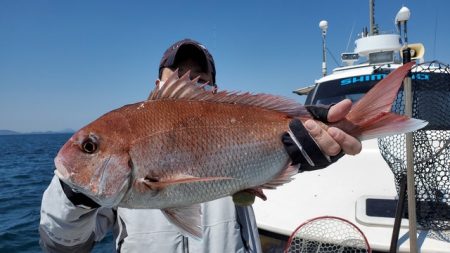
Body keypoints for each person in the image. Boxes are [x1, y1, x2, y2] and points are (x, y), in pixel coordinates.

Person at [39, 39, 361, 252]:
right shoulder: (123, 136)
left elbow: (268, 167)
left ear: (216, 91)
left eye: (200, 81)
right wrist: (73, 195)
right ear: (157, 86)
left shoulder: (234, 124)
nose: (188, 85)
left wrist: (306, 141)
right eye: (177, 76)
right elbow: (60, 246)